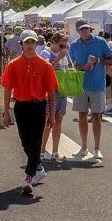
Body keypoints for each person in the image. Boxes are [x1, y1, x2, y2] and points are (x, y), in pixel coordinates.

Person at [1, 31, 58, 196]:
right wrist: (6, 112)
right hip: (21, 106)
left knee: (35, 142)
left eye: (33, 42)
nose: (30, 45)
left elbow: (52, 91)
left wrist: (52, 114)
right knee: (25, 142)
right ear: (22, 45)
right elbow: (7, 89)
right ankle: (37, 166)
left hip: (39, 106)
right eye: (27, 42)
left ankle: (28, 177)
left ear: (37, 44)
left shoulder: (45, 65)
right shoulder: (13, 65)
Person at [69, 20, 112, 161]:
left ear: (91, 29)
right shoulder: (74, 45)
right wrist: (84, 67)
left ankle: (97, 148)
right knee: (82, 115)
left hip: (97, 84)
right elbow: (72, 66)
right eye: (82, 29)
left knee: (97, 116)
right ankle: (83, 147)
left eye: (87, 29)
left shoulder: (101, 42)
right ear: (78, 31)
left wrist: (98, 60)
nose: (85, 31)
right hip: (80, 85)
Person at [41, 31, 72, 162]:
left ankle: (55, 151)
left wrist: (69, 64)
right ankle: (42, 151)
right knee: (48, 122)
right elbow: (46, 71)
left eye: (65, 46)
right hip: (49, 92)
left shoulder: (64, 54)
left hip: (61, 91)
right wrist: (58, 57)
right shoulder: (45, 53)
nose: (63, 48)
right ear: (53, 42)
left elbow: (68, 68)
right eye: (61, 45)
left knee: (58, 121)